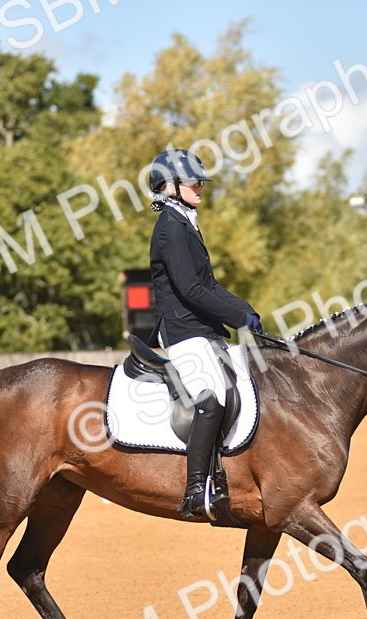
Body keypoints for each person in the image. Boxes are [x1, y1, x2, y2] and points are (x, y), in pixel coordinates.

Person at [147, 148, 264, 520]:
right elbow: (190, 291)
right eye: (193, 181)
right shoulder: (169, 228)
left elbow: (209, 284)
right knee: (211, 398)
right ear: (170, 186)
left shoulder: (185, 222)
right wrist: (236, 318)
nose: (200, 186)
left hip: (202, 329)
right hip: (182, 330)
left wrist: (246, 310)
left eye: (200, 181)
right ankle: (196, 488)